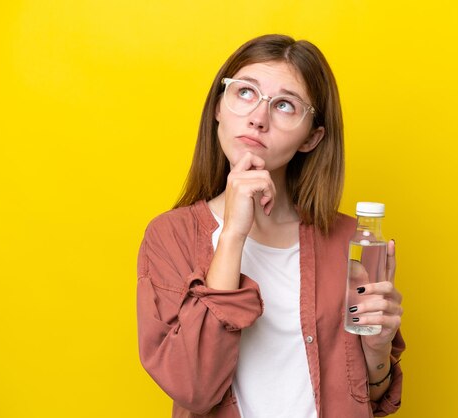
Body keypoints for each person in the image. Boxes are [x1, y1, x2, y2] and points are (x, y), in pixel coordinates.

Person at [136, 34, 405, 418]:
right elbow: (194, 390)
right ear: (218, 107)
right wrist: (231, 235)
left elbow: (373, 395)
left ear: (312, 138)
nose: (258, 118)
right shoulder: (169, 237)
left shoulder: (351, 241)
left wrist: (378, 352)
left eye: (284, 105)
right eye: (245, 92)